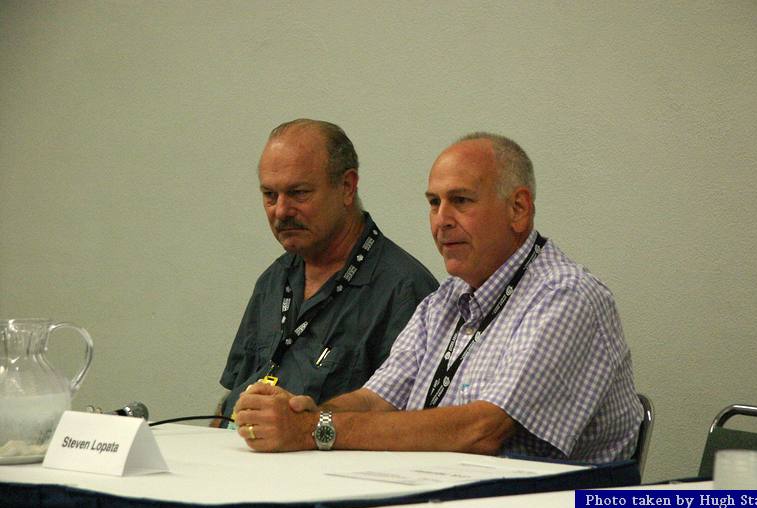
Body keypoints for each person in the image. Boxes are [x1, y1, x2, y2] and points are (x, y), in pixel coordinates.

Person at [232, 132, 642, 463]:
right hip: (454, 501)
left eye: (460, 201)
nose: (441, 220)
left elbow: (482, 430)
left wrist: (314, 430)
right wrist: (298, 414)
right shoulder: (444, 301)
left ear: (518, 209)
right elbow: (376, 401)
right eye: (433, 203)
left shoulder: (565, 297)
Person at [217, 119, 438, 424]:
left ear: (346, 187)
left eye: (298, 193)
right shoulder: (274, 280)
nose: (281, 211)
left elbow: (404, 426)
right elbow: (231, 397)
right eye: (270, 195)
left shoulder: (405, 291)